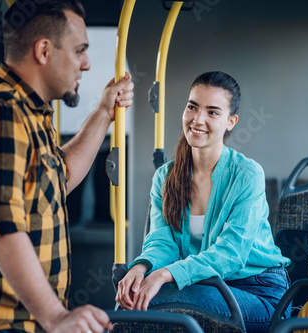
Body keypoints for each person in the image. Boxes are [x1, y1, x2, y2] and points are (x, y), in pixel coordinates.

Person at [0, 0, 134, 332]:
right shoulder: (2, 110)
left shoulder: (31, 112)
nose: (87, 64)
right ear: (44, 51)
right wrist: (56, 316)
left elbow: (58, 180)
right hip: (6, 323)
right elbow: (1, 224)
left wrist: (104, 111)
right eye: (80, 51)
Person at [116, 71, 290, 332]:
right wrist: (141, 267)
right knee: (132, 300)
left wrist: (165, 274)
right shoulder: (165, 176)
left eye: (212, 112)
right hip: (203, 286)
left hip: (258, 292)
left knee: (151, 301)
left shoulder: (247, 174)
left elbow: (232, 252)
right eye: (192, 107)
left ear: (231, 122)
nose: (198, 119)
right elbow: (162, 242)